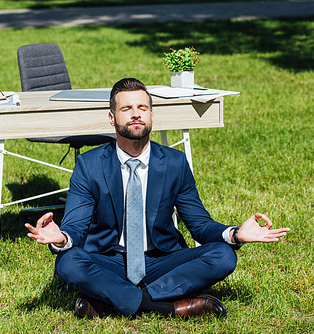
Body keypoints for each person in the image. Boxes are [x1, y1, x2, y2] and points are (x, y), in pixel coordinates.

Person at [26, 78, 290, 318]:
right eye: (126, 108)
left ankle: (111, 302)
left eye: (142, 107)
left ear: (152, 115)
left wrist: (234, 234)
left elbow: (199, 224)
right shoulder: (89, 164)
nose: (136, 113)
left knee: (223, 256)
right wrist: (61, 238)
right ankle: (166, 307)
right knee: (69, 262)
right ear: (111, 117)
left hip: (161, 259)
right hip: (109, 259)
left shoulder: (174, 163)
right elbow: (76, 226)